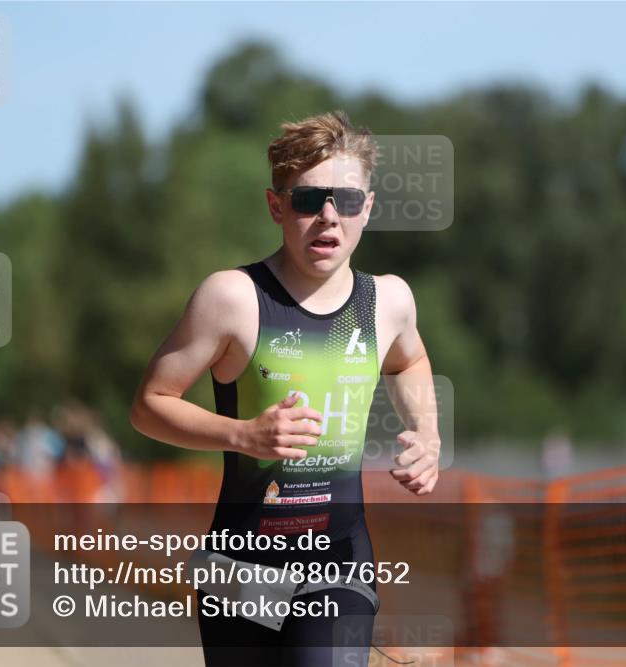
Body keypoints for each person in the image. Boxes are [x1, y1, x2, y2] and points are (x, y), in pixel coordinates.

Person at [131, 110, 440, 666]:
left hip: (338, 561)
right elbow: (149, 406)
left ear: (367, 209)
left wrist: (427, 432)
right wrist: (244, 435)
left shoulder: (389, 301)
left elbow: (409, 359)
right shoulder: (231, 298)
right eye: (307, 200)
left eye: (346, 201)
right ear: (277, 206)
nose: (328, 217)